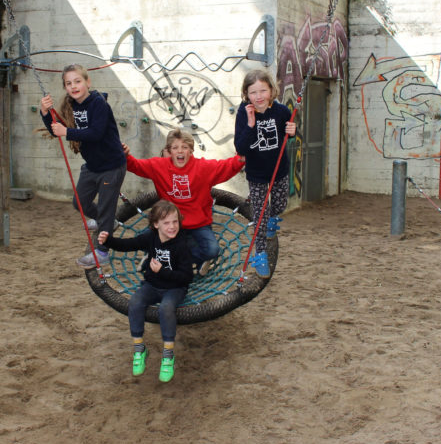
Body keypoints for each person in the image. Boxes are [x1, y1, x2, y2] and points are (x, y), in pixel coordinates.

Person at [39, 64, 126, 268]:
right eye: (68, 83)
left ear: (88, 82)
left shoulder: (98, 104)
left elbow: (95, 133)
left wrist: (66, 132)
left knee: (106, 208)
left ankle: (103, 252)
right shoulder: (71, 105)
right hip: (93, 165)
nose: (73, 86)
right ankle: (106, 222)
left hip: (111, 165)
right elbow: (56, 130)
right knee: (80, 203)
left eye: (77, 81)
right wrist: (45, 112)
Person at [124, 128, 244, 273]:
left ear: (191, 150)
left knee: (212, 250)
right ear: (170, 151)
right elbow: (135, 165)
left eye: (184, 147)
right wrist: (125, 156)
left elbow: (227, 166)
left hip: (198, 224)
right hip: (171, 221)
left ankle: (166, 257)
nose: (180, 151)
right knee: (143, 240)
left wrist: (241, 158)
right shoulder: (159, 166)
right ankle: (159, 254)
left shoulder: (203, 167)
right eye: (175, 148)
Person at [98, 200, 193, 382]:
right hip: (152, 285)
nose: (172, 227)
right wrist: (108, 241)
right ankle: (139, 348)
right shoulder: (151, 237)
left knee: (165, 308)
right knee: (135, 302)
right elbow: (129, 245)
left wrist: (162, 271)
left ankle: (167, 355)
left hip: (175, 288)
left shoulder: (182, 244)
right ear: (156, 224)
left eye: (175, 222)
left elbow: (187, 276)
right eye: (166, 223)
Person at [233, 69, 297, 278]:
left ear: (271, 91)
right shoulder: (244, 112)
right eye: (253, 92)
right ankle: (259, 253)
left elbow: (292, 135)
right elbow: (241, 148)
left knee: (279, 206)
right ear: (246, 94)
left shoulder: (280, 112)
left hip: (279, 169)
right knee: (260, 216)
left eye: (263, 90)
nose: (259, 96)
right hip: (257, 174)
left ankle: (272, 219)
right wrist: (251, 124)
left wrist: (293, 132)